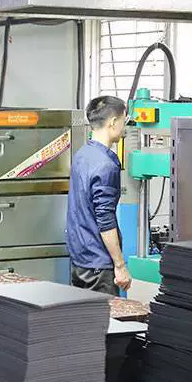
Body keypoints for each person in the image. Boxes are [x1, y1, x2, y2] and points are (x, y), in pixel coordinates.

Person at [66, 95, 132, 296]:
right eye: (124, 120)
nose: (124, 127)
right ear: (113, 122)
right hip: (98, 265)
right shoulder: (105, 165)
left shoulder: (82, 154)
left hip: (79, 259)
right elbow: (105, 220)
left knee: (83, 314)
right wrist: (120, 265)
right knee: (105, 316)